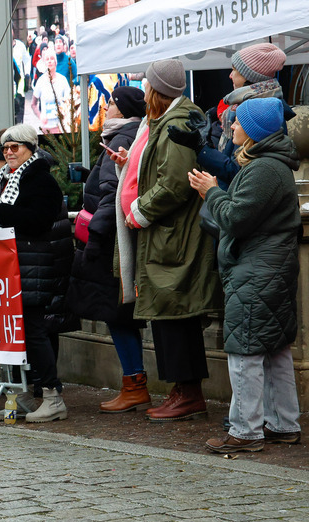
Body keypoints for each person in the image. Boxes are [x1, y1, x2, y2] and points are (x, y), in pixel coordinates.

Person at [189, 98, 301, 453]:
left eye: (237, 123)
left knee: (246, 352)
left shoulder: (264, 168)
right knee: (274, 348)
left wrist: (212, 192)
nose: (231, 127)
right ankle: (283, 424)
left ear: (253, 131)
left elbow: (236, 218)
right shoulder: (269, 165)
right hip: (267, 267)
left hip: (257, 269)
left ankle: (246, 431)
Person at [112, 59, 221, 422]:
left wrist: (140, 210)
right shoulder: (164, 121)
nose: (143, 93)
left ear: (157, 91)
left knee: (175, 316)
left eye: (147, 87)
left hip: (173, 238)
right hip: (165, 237)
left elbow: (175, 183)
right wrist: (129, 164)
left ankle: (187, 394)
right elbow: (159, 170)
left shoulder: (174, 123)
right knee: (170, 315)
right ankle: (183, 392)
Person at [0, 125, 67, 422]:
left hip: (32, 265)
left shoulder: (40, 179)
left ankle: (51, 395)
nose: (9, 152)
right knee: (14, 333)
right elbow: (0, 218)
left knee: (33, 331)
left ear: (30, 148)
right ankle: (15, 397)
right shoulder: (5, 179)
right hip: (9, 266)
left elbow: (39, 221)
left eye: (15, 147)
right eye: (5, 148)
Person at [67, 86, 148, 412]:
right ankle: (134, 383)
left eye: (112, 102)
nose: (107, 107)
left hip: (110, 244)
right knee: (121, 316)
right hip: (114, 241)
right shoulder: (126, 135)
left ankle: (134, 384)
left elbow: (110, 197)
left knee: (118, 316)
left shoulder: (121, 138)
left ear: (125, 109)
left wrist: (96, 240)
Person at [169, 43, 288, 188]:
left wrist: (202, 148)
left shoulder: (261, 113)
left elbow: (238, 172)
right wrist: (208, 141)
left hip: (237, 202)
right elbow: (231, 160)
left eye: (234, 70)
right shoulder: (241, 107)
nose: (230, 75)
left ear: (249, 75)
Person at [32, 48, 72, 134]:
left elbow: (69, 101)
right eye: (47, 59)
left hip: (61, 126)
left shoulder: (63, 80)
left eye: (52, 59)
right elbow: (33, 104)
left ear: (55, 62)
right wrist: (40, 116)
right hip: (46, 127)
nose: (50, 61)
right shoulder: (41, 81)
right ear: (45, 63)